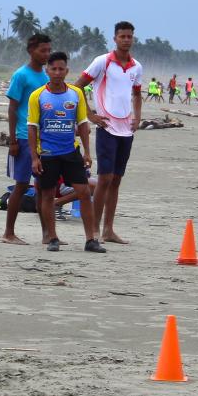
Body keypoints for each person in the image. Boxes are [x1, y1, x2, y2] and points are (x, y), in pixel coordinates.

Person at [29, 51, 103, 253]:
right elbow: (32, 127)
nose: (57, 72)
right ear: (47, 71)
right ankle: (52, 238)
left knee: (84, 193)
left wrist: (87, 152)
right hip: (47, 154)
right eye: (53, 69)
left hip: (71, 152)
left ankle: (91, 240)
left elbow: (82, 124)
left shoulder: (75, 93)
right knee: (46, 195)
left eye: (61, 69)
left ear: (67, 71)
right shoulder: (37, 96)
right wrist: (35, 157)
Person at [76, 21, 143, 245]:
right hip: (106, 128)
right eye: (122, 36)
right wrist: (91, 115)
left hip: (126, 130)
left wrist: (138, 117)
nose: (126, 39)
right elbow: (77, 87)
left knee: (116, 179)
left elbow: (137, 94)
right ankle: (93, 230)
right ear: (114, 38)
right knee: (104, 178)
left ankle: (109, 230)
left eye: (129, 36)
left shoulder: (136, 67)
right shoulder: (102, 62)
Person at [2, 33, 52, 245]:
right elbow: (13, 108)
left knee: (42, 187)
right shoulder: (21, 75)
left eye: (49, 50)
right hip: (23, 137)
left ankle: (47, 234)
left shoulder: (47, 77)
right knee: (21, 185)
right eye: (43, 50)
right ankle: (9, 233)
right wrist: (12, 140)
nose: (46, 54)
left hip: (43, 139)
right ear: (31, 50)